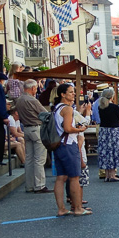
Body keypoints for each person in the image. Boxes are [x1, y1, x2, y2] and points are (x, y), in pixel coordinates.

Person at [51, 83, 90, 216]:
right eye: (71, 92)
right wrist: (80, 129)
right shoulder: (67, 109)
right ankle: (78, 208)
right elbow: (68, 128)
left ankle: (61, 208)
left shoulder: (56, 108)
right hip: (69, 144)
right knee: (74, 177)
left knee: (61, 177)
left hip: (59, 144)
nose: (74, 94)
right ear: (63, 94)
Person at [16, 79, 48, 193]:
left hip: (26, 128)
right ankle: (39, 185)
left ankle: (29, 185)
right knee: (39, 158)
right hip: (36, 128)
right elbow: (45, 114)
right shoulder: (32, 100)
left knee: (29, 158)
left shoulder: (19, 100)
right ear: (33, 88)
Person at [97, 87, 119, 183]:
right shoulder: (114, 107)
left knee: (105, 152)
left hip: (103, 132)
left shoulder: (100, 107)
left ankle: (107, 175)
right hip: (113, 132)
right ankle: (113, 175)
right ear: (111, 96)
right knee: (114, 152)